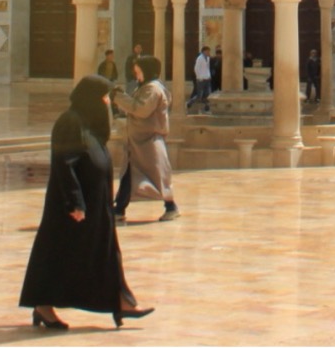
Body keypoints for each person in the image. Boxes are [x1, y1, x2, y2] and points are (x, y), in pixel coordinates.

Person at [20, 76, 155, 330]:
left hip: (96, 206)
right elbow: (64, 163)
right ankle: (43, 306)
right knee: (58, 255)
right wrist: (75, 202)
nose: (107, 102)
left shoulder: (88, 124)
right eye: (104, 96)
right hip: (72, 210)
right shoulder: (70, 122)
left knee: (105, 254)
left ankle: (121, 301)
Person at [113, 57, 179, 223]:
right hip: (138, 142)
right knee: (129, 175)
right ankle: (119, 208)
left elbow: (140, 109)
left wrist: (119, 98)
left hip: (148, 142)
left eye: (138, 71)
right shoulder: (146, 87)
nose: (136, 75)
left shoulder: (152, 89)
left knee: (158, 176)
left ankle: (171, 207)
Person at [188, 45, 213, 112]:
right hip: (201, 79)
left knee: (207, 93)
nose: (208, 52)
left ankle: (206, 106)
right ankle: (191, 102)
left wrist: (209, 75)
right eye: (207, 51)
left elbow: (207, 68)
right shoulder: (199, 58)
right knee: (200, 95)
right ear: (204, 51)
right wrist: (199, 77)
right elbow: (196, 68)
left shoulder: (208, 58)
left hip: (207, 78)